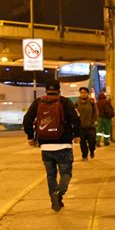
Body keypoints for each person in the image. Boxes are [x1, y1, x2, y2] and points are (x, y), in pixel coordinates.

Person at [23, 79, 80, 212]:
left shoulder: (38, 102)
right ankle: (59, 193)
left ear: (46, 90)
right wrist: (77, 135)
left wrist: (30, 136)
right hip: (64, 145)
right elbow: (75, 119)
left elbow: (27, 119)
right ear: (59, 89)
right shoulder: (65, 102)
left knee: (51, 175)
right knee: (66, 173)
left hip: (45, 146)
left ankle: (55, 201)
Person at [75, 87, 97, 160]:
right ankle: (84, 155)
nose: (83, 94)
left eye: (85, 92)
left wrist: (93, 121)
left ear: (87, 93)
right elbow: (75, 113)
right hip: (81, 127)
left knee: (92, 141)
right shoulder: (77, 102)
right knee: (82, 143)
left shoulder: (91, 102)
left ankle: (92, 151)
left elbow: (95, 112)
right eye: (81, 92)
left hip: (90, 126)